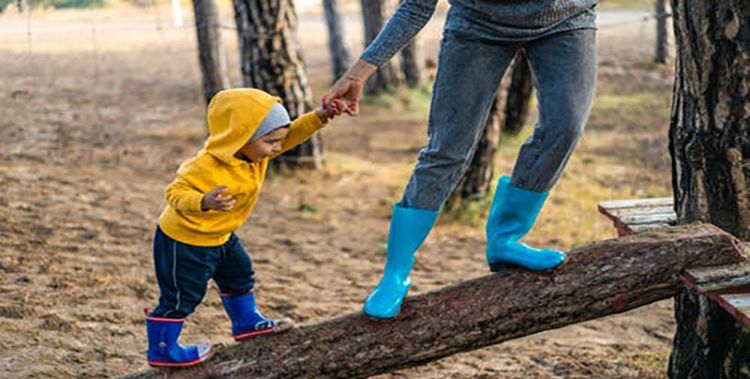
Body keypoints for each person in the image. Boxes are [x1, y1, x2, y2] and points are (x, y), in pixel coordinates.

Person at [322, 0, 598, 320]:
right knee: (446, 151)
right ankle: (395, 275)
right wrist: (359, 72)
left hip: (567, 18)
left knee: (564, 129)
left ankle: (505, 239)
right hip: (477, 25)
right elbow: (416, 7)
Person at [145, 88, 341, 367]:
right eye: (271, 141)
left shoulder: (255, 154)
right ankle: (163, 349)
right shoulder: (204, 165)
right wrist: (203, 201)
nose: (277, 148)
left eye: (279, 141)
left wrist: (321, 116)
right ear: (240, 137)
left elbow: (291, 134)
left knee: (239, 275)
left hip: (222, 235)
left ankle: (246, 322)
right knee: (182, 296)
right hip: (186, 240)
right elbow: (173, 193)